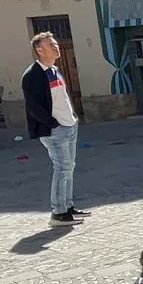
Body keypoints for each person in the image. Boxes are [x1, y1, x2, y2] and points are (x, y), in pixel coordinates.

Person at [23, 32, 87, 227]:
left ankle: (67, 206)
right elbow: (33, 106)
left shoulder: (55, 70)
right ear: (39, 50)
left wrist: (72, 118)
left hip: (69, 125)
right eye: (51, 44)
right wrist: (52, 123)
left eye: (55, 43)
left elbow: (62, 98)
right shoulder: (33, 75)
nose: (56, 47)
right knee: (61, 168)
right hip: (54, 130)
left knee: (69, 167)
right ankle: (58, 213)